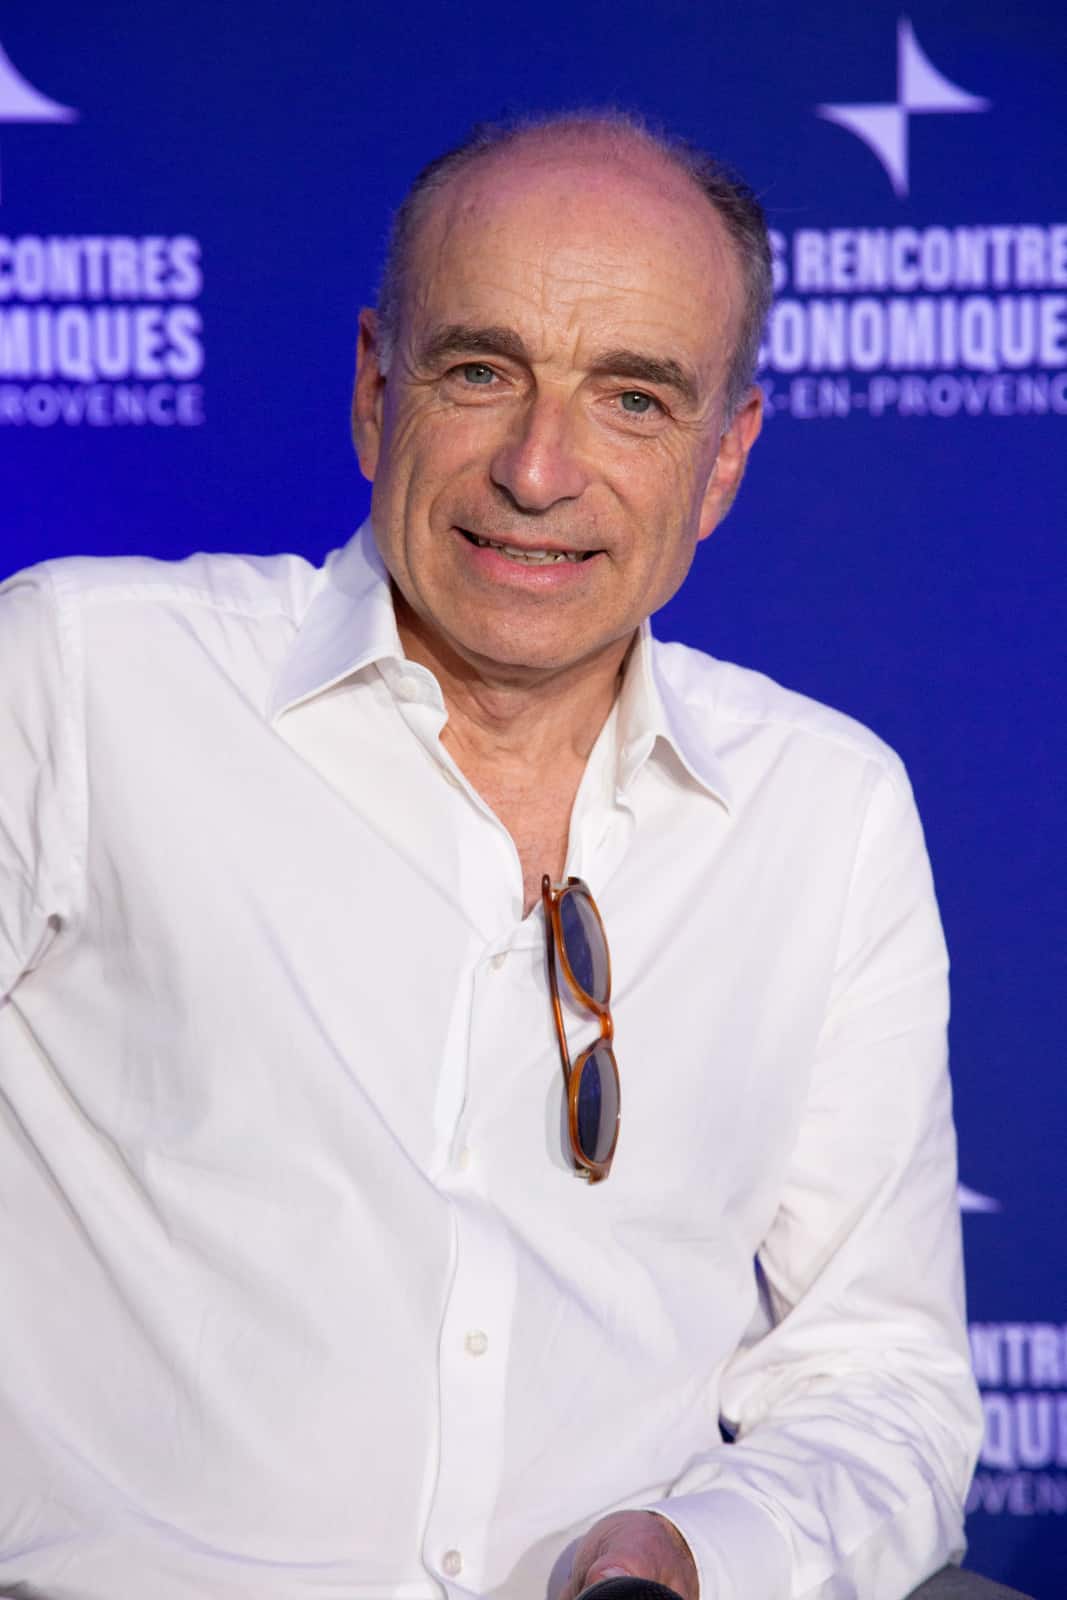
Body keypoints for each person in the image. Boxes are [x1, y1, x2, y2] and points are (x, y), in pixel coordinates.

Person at [0, 112, 984, 1600]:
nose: (538, 469)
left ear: (724, 461)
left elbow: (882, 1381)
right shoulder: (83, 682)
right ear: (374, 391)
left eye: (633, 400)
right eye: (479, 372)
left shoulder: (825, 812)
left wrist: (704, 1559)